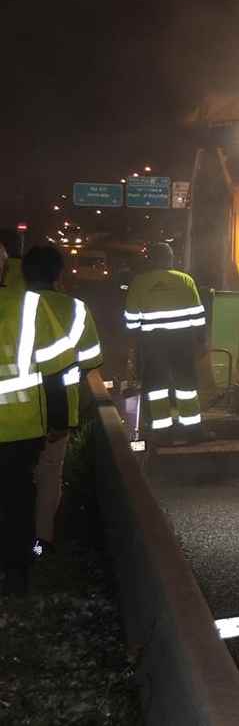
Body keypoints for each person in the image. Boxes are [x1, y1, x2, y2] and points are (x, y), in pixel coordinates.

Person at [0, 232, 76, 594]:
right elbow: (56, 368)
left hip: (21, 429)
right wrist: (59, 422)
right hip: (20, 429)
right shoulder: (30, 306)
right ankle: (17, 575)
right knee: (17, 498)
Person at [22, 246, 102, 557]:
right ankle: (41, 545)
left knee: (16, 477)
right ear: (59, 273)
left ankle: (16, 545)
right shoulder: (75, 308)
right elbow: (92, 358)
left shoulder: (13, 306)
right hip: (58, 411)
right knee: (49, 475)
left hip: (11, 412)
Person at [125, 242, 207, 440]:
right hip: (183, 342)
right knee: (186, 386)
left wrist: (138, 340)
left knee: (156, 387)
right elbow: (198, 316)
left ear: (151, 260)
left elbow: (131, 320)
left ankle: (161, 432)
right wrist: (200, 341)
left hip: (152, 343)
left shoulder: (139, 282)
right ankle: (192, 430)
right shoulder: (185, 280)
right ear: (170, 259)